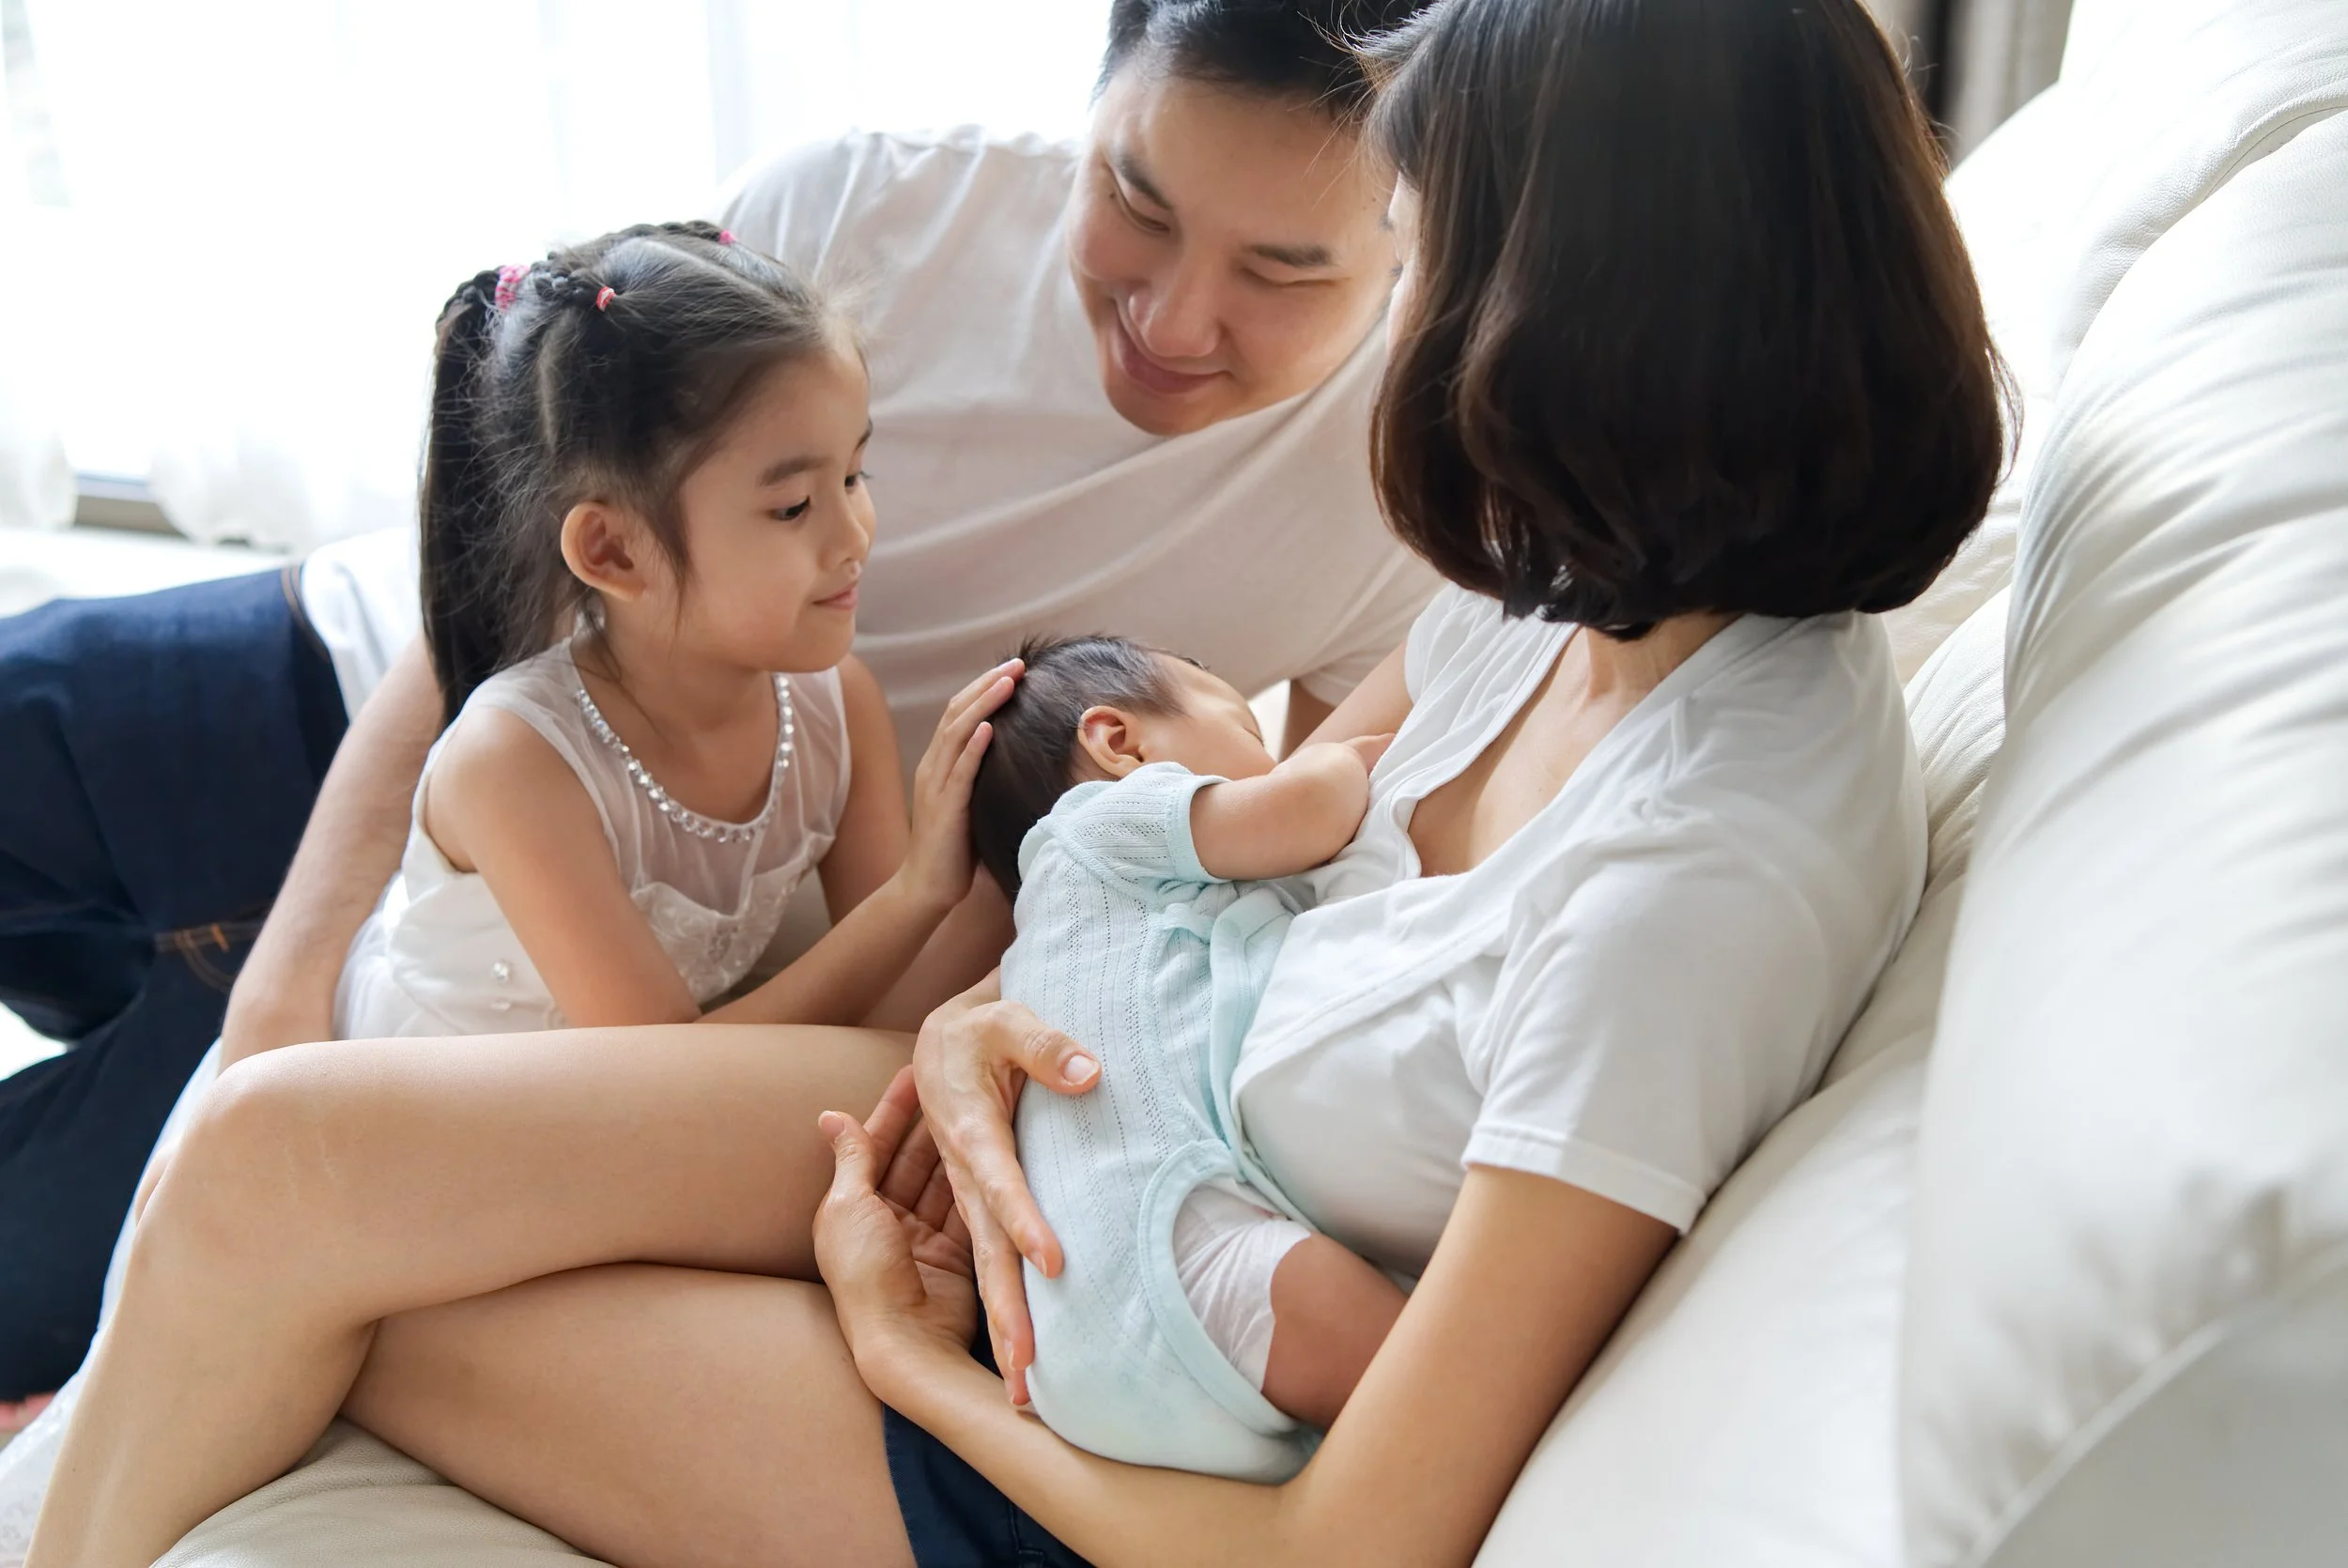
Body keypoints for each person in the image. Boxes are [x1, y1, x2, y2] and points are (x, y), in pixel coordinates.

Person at [23, 0, 2008, 1563]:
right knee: (265, 1153)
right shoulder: (1553, 589)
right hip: (1051, 1108)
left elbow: (1347, 1538)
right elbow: (1258, 839)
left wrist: (915, 1362)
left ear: (1575, 319)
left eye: (1416, 255)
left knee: (314, 1268)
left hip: (1113, 1379)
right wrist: (985, 1020)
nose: (1393, 322)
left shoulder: (1705, 870)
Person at [0, 0, 1437, 1400]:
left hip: (636, 940)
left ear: (1410, 237)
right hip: (395, 699)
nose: (1177, 314)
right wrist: (278, 995)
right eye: (1136, 199)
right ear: (1100, 97)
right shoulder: (870, 205)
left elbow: (1265, 888)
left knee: (56, 1272)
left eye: (1282, 270)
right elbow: (505, 567)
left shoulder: (1398, 501)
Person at [335, 222, 1022, 1048]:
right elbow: (661, 1069)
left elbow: (891, 1003)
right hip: (438, 1096)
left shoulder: (838, 707)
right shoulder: (512, 763)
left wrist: (1013, 875)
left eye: (853, 475)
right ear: (614, 552)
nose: (854, 537)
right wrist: (913, 895)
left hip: (652, 1093)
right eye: (793, 507)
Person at [966, 634, 1405, 1479]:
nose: (1272, 760)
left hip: (1081, 1350)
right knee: (1450, 1387)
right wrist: (1343, 764)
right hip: (1180, 1262)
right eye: (1248, 730)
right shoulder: (1094, 824)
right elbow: (1303, 812)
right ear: (1120, 744)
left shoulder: (1061, 937)